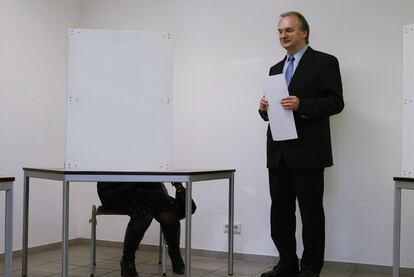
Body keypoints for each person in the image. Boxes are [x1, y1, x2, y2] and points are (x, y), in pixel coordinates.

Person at [258, 11, 344, 277]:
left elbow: (335, 102)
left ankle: (310, 268)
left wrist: (302, 105)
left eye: (289, 30)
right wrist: (263, 108)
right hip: (278, 153)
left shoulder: (325, 62)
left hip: (308, 153)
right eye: (280, 31)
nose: (283, 36)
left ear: (304, 33)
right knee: (280, 215)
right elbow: (273, 112)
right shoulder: (274, 69)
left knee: (311, 215)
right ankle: (287, 263)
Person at [97, 182, 185, 277]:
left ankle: (175, 255)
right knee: (144, 216)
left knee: (170, 218)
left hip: (151, 188)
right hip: (124, 188)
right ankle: (127, 260)